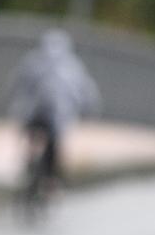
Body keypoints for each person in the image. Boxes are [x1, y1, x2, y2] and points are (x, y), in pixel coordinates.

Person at [7, 29, 101, 183]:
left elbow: (16, 83)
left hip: (32, 114)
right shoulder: (73, 66)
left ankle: (30, 163)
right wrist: (90, 110)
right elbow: (86, 91)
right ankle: (50, 182)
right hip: (57, 118)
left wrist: (14, 101)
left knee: (32, 136)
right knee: (54, 145)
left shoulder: (32, 60)